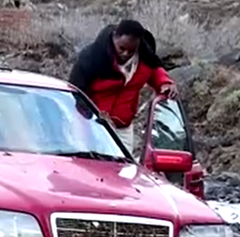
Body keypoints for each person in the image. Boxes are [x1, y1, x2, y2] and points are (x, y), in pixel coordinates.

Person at [67, 19, 178, 153]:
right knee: (89, 163)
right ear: (114, 37)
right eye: (122, 48)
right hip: (91, 124)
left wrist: (165, 83)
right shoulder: (92, 56)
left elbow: (155, 70)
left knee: (122, 170)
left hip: (123, 126)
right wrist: (91, 116)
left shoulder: (145, 57)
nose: (125, 54)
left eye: (131, 51)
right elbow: (75, 92)